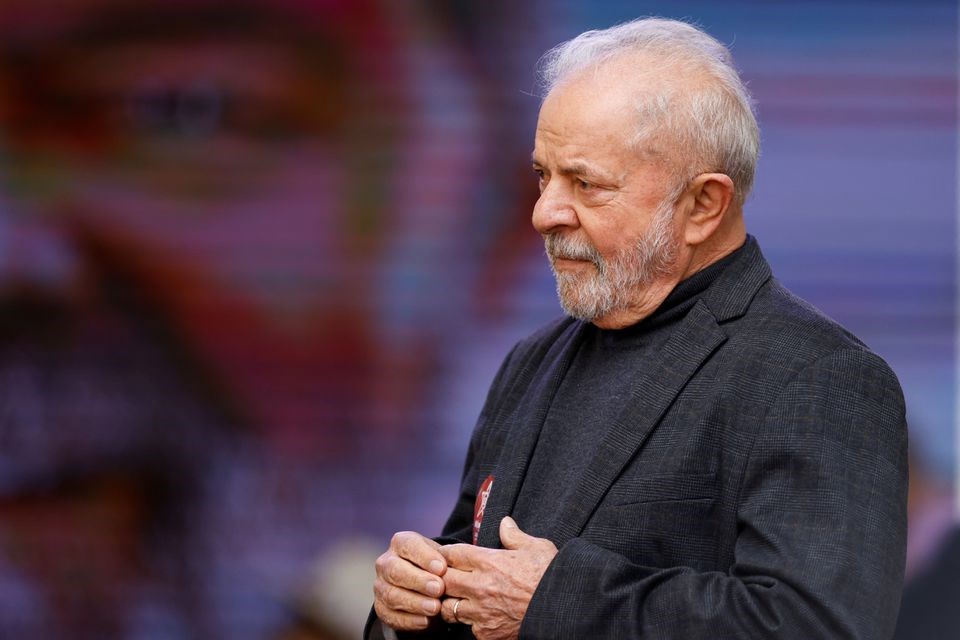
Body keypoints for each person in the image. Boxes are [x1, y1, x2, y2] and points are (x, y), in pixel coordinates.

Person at [366, 17, 908, 640]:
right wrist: (412, 602)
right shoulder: (532, 360)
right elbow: (481, 583)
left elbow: (818, 627)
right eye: (543, 176)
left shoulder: (817, 377)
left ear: (703, 205)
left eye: (586, 183)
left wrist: (558, 602)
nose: (543, 213)